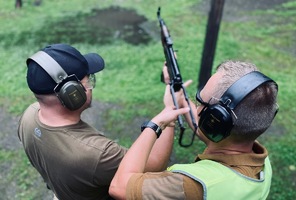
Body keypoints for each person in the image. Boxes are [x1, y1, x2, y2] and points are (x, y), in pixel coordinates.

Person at [18, 43, 176, 200]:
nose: (91, 86)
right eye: (89, 80)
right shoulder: (96, 153)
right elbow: (153, 167)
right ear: (73, 93)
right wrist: (166, 119)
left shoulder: (29, 116)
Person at [109, 60, 279, 199]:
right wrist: (180, 100)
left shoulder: (193, 184)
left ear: (216, 122)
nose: (197, 110)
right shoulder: (260, 159)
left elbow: (120, 186)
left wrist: (156, 124)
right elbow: (211, 132)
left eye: (200, 102)